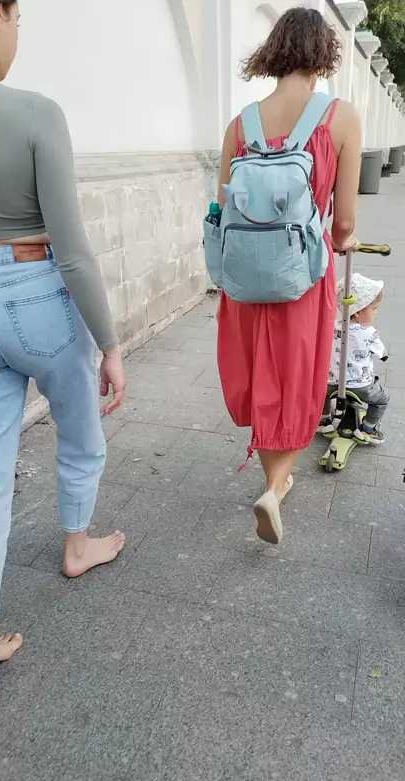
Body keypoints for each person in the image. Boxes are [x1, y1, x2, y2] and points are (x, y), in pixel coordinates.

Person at [0, 0, 126, 684]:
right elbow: (72, 250)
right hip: (37, 290)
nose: (18, 34)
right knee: (80, 429)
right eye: (19, 20)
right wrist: (110, 344)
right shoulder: (37, 113)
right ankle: (77, 544)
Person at [216, 6, 361, 545]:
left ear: (274, 51)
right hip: (302, 274)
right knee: (297, 378)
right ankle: (275, 489)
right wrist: (341, 238)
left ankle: (274, 480)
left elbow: (221, 207)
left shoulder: (240, 125)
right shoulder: (341, 118)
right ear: (323, 54)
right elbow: (344, 223)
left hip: (244, 276)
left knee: (261, 374)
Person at [319, 273, 389, 444]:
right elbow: (382, 353)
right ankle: (369, 429)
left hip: (332, 383)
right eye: (373, 308)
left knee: (321, 394)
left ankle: (323, 419)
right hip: (361, 386)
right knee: (382, 400)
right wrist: (384, 355)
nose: (375, 312)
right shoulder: (369, 333)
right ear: (357, 312)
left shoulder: (332, 327)